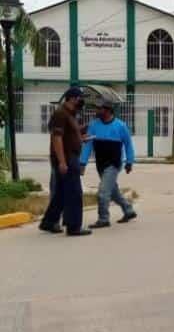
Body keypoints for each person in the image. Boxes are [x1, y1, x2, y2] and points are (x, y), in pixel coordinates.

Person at [39, 87, 92, 236]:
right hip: (67, 159)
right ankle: (74, 226)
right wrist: (62, 162)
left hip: (70, 156)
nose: (82, 101)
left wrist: (81, 137)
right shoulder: (61, 114)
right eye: (81, 98)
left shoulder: (70, 115)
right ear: (72, 98)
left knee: (62, 193)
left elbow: (69, 136)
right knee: (75, 192)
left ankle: (49, 222)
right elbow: (57, 138)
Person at [80, 100, 137, 228]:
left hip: (114, 164)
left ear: (107, 110)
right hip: (100, 164)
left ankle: (103, 218)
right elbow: (88, 145)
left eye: (99, 109)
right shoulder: (94, 125)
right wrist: (82, 163)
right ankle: (128, 210)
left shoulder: (120, 126)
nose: (96, 111)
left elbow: (128, 145)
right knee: (113, 192)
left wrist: (129, 162)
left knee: (103, 192)